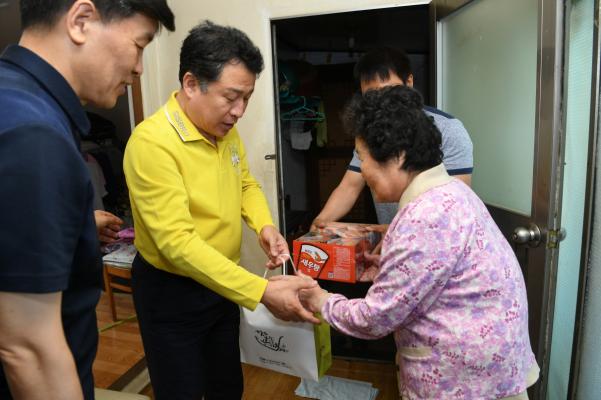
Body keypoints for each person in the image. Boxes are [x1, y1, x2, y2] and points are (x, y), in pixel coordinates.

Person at [300, 85, 539, 399]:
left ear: (397, 157)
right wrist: (390, 267)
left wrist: (320, 301)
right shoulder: (451, 192)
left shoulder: (425, 216)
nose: (363, 171)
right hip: (489, 370)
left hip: (467, 383)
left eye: (363, 159)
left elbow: (374, 319)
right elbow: (439, 275)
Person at [123, 21, 318, 400]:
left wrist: (264, 226)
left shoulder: (224, 131)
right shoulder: (152, 144)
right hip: (172, 293)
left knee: (226, 385)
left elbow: (245, 183)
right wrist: (261, 291)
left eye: (246, 98)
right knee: (182, 390)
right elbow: (177, 244)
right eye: (231, 97)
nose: (240, 111)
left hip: (222, 282)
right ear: (192, 83)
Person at [0, 1, 174, 399]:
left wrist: (75, 224)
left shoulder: (13, 99)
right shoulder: (33, 134)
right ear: (81, 21)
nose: (139, 68)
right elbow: (29, 350)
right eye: (140, 45)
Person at [312, 46, 474, 229]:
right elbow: (350, 186)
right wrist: (321, 223)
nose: (381, 101)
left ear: (409, 82)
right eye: (371, 95)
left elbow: (454, 207)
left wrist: (397, 233)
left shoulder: (450, 130)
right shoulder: (369, 131)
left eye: (388, 90)